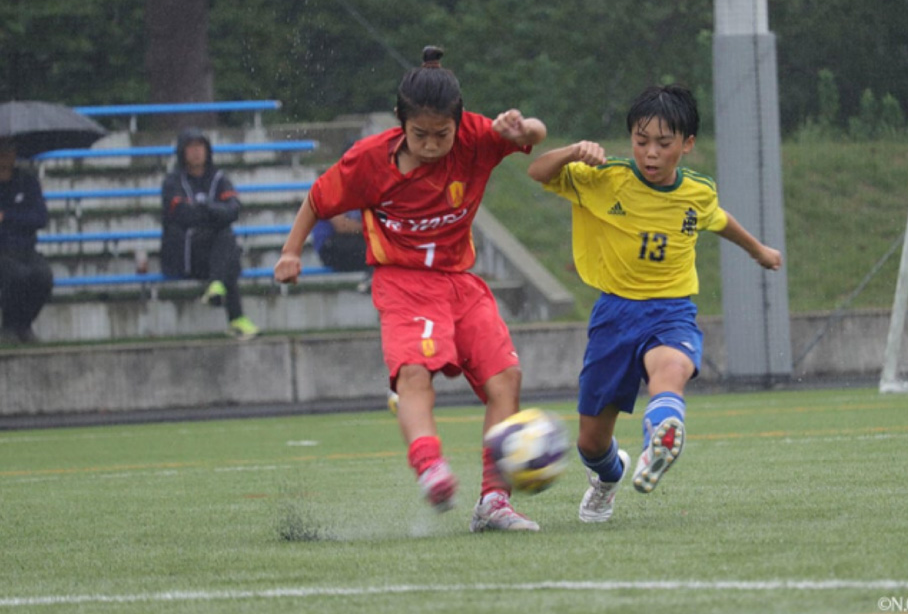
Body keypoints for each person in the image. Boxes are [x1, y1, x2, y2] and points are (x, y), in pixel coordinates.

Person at [274, 46, 547, 532]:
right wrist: (291, 252)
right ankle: (429, 466)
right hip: (403, 283)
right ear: (400, 121)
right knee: (415, 372)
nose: (432, 144)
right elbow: (317, 199)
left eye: (442, 134)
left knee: (506, 378)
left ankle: (493, 501)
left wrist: (522, 128)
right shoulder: (368, 161)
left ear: (458, 122)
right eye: (420, 134)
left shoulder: (475, 138)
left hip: (460, 283)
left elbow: (536, 134)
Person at [526, 84, 783, 523]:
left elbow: (718, 219)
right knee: (591, 442)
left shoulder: (697, 192)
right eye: (641, 141)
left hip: (670, 310)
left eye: (664, 143)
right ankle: (609, 478)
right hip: (614, 315)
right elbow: (537, 171)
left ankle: (658, 441)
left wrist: (758, 250)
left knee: (671, 369)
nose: (650, 153)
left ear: (687, 144)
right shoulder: (605, 178)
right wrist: (572, 151)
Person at [160, 128, 259, 340]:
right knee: (227, 248)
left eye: (200, 146)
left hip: (212, 253)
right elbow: (181, 215)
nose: (196, 152)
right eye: (191, 147)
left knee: (225, 239)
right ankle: (235, 317)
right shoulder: (173, 181)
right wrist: (213, 211)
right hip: (186, 253)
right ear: (182, 152)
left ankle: (217, 287)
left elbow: (234, 210)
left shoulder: (219, 178)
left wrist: (204, 207)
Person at [0, 138, 53, 344]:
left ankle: (24, 325)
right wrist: (19, 224)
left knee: (44, 276)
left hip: (25, 251)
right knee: (16, 274)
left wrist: (6, 217)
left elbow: (40, 218)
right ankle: (8, 327)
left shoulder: (28, 181)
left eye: (9, 149)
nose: (5, 154)